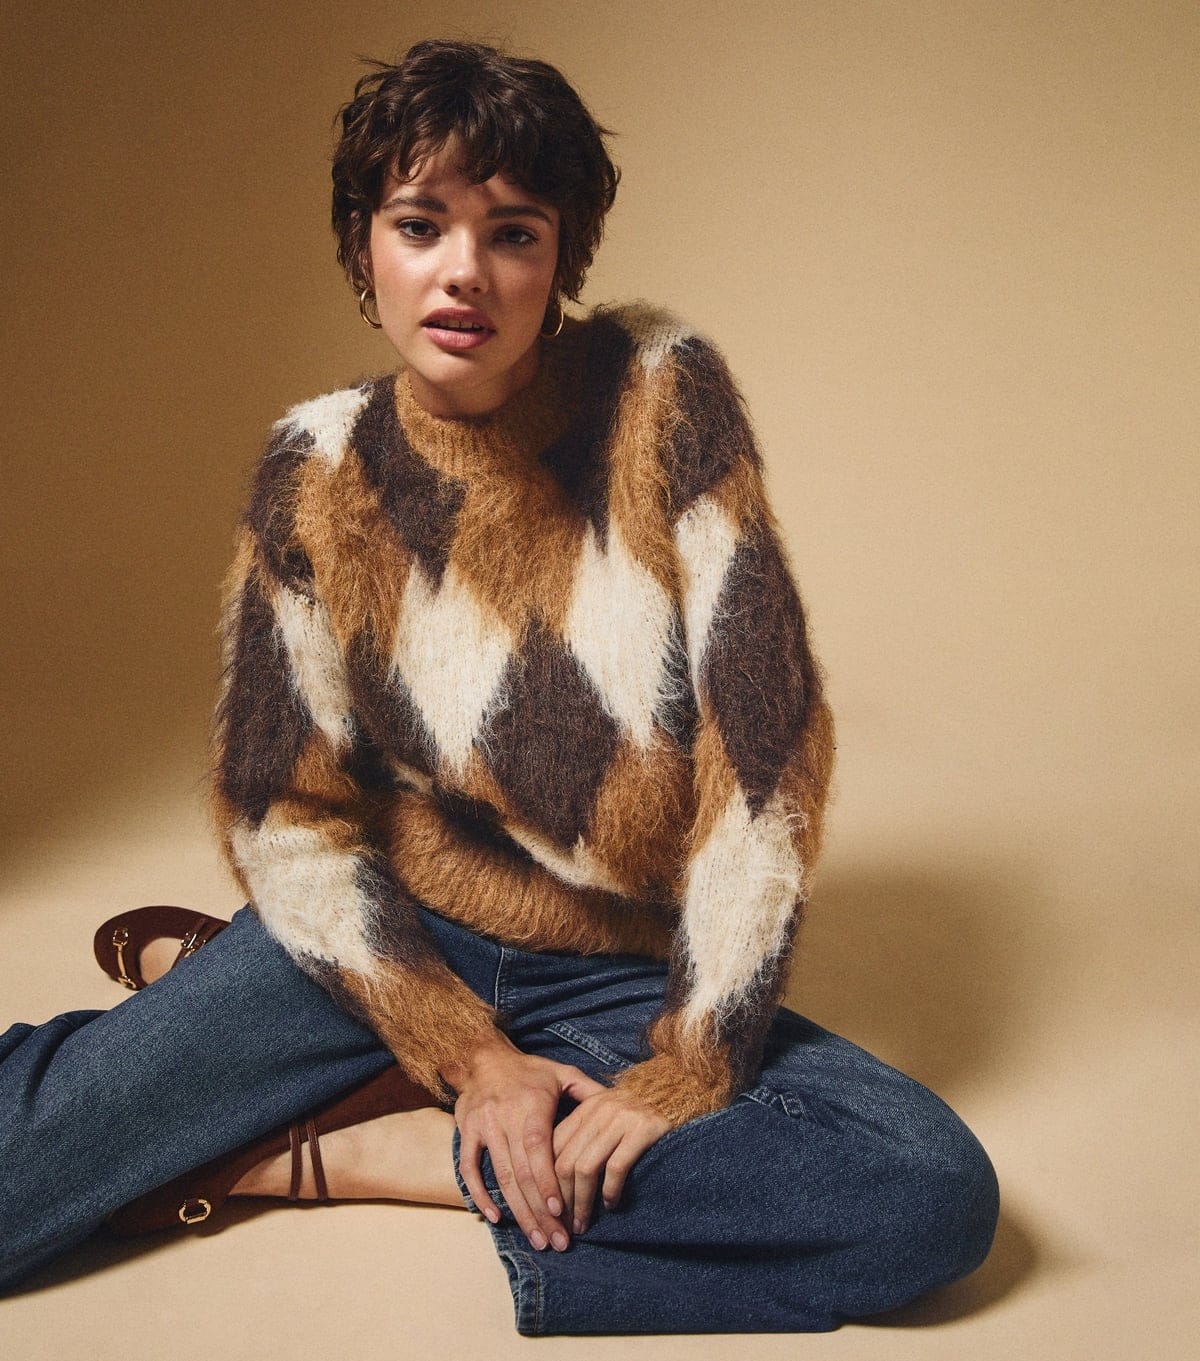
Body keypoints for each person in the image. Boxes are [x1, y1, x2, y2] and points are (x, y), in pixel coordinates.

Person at [0, 38, 999, 1335]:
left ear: (561, 258)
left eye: (513, 233)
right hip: (397, 940)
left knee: (925, 1197)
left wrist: (694, 1057)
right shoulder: (317, 470)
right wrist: (461, 1050)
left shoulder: (661, 395)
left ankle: (359, 1150)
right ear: (364, 248)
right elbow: (283, 810)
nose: (463, 270)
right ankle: (303, 1044)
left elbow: (765, 748)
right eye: (420, 225)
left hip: (614, 975)